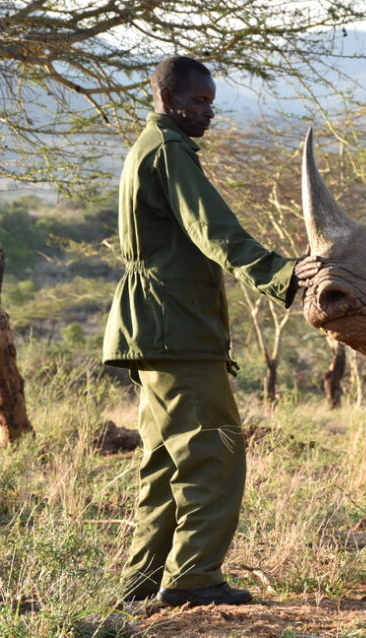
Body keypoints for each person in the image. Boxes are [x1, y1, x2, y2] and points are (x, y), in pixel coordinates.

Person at [102, 56, 319, 607]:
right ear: (169, 97)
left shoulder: (147, 148)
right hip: (178, 327)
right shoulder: (170, 152)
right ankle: (194, 580)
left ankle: (143, 582)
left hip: (152, 327)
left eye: (211, 101)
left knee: (164, 460)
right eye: (199, 102)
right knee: (213, 452)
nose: (209, 112)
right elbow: (213, 230)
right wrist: (283, 272)